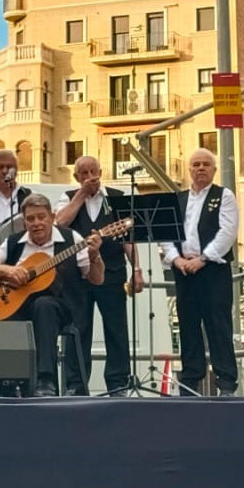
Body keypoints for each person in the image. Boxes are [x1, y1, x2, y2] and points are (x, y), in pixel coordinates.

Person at [0, 193, 101, 396]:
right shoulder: (14, 242)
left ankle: (45, 381)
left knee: (44, 305)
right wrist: (8, 271)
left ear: (52, 217)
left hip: (60, 307)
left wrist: (95, 256)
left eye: (41, 217)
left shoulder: (72, 239)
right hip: (18, 306)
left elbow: (97, 279)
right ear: (24, 221)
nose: (36, 223)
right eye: (30, 219)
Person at [56, 155, 145, 395]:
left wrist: (136, 269)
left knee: (116, 329)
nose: (89, 177)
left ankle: (118, 383)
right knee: (78, 329)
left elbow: (128, 239)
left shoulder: (116, 198)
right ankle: (76, 384)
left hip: (114, 272)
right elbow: (60, 223)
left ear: (101, 171)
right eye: (83, 174)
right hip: (77, 276)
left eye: (92, 171)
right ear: (76, 177)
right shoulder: (67, 198)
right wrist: (80, 195)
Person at [160, 149, 240, 396]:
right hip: (184, 270)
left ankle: (226, 381)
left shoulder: (223, 196)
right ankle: (190, 380)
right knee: (187, 326)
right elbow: (165, 233)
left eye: (206, 164)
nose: (201, 168)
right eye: (196, 164)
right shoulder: (179, 198)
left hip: (213, 270)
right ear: (190, 169)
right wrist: (176, 259)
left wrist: (203, 259)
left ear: (214, 169)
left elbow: (227, 231)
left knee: (219, 325)